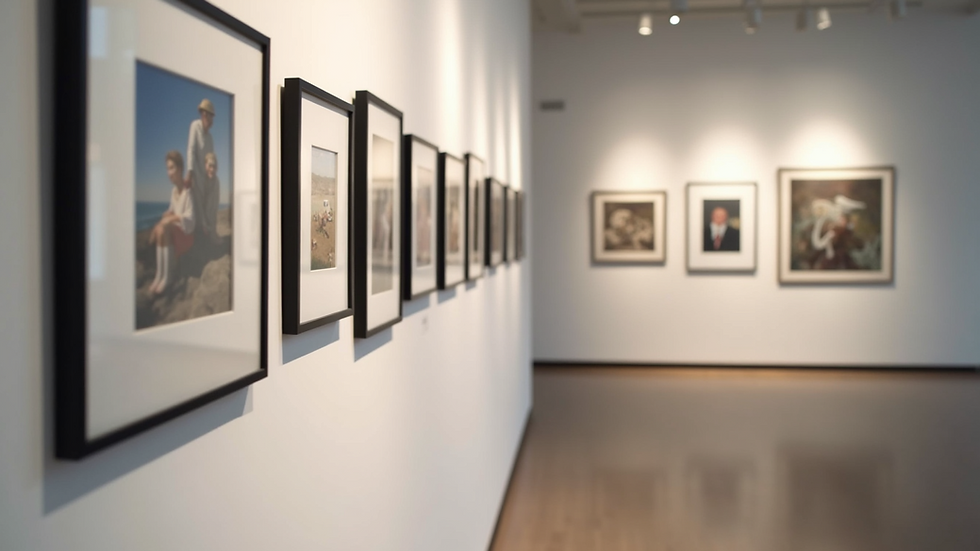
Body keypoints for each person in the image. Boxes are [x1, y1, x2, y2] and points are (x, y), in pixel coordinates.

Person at [149, 151, 195, 295]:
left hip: (187, 236)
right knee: (160, 228)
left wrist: (172, 218)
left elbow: (190, 219)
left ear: (180, 169)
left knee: (165, 227)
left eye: (172, 168)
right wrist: (167, 215)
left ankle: (168, 277)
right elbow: (172, 209)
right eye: (168, 168)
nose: (169, 173)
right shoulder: (174, 191)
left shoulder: (188, 192)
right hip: (177, 231)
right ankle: (160, 274)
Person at [185, 99, 220, 245]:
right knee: (196, 191)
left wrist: (210, 173)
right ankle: (204, 230)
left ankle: (211, 230)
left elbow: (211, 158)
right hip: (196, 175)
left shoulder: (210, 138)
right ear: (204, 115)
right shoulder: (195, 126)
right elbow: (191, 150)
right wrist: (190, 172)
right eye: (210, 116)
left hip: (206, 175)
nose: (211, 121)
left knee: (216, 185)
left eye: (212, 117)